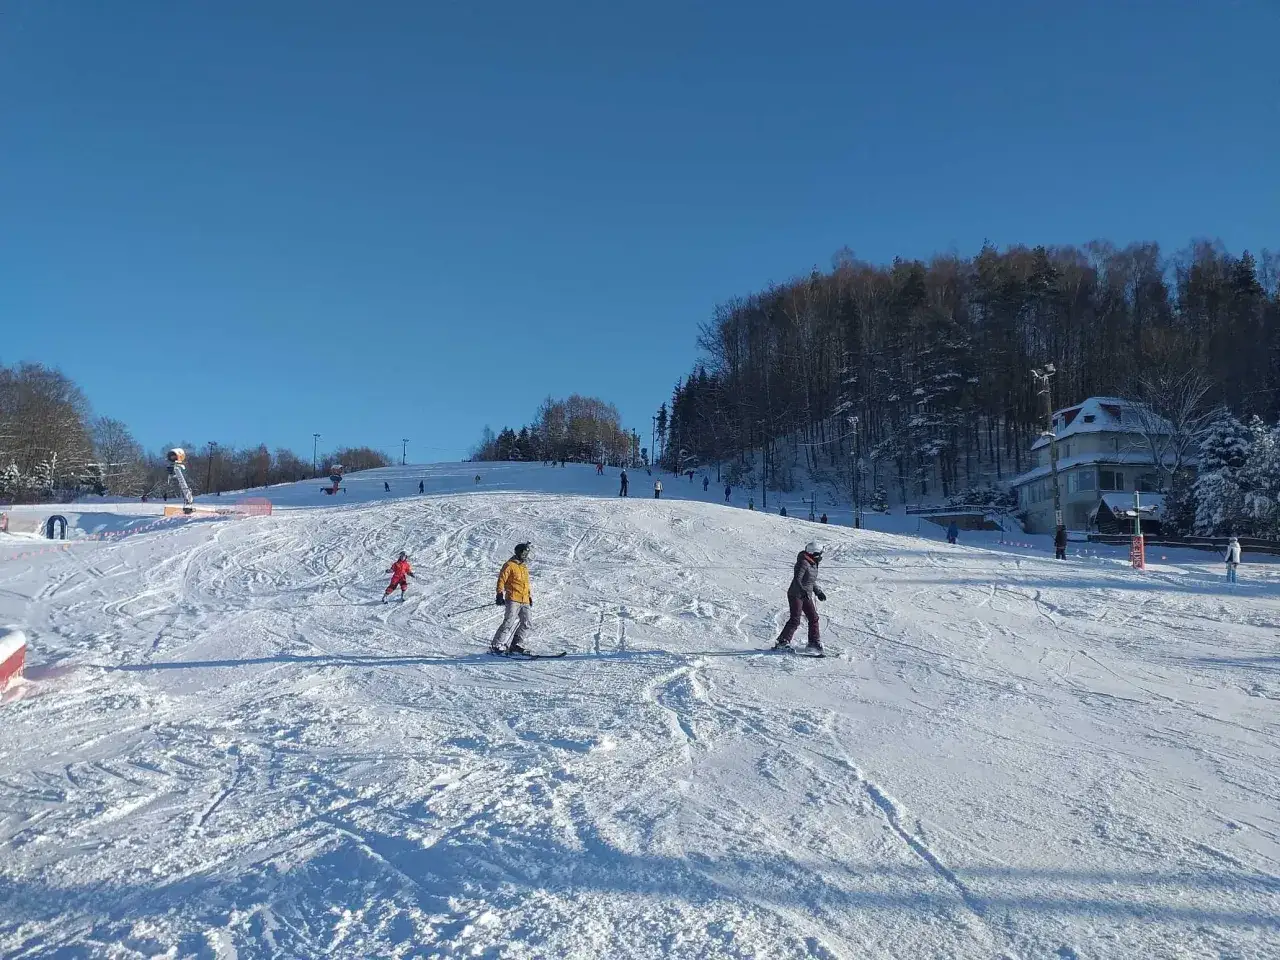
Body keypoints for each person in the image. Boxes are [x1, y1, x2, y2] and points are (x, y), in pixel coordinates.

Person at [773, 541, 826, 652]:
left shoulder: (812, 563)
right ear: (814, 553)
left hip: (805, 594)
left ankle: (813, 642)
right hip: (796, 594)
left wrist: (818, 592)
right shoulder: (803, 563)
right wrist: (802, 591)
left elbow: (811, 581)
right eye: (820, 554)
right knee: (795, 619)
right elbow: (797, 579)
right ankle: (782, 642)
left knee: (814, 618)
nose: (821, 556)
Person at [491, 542, 534, 654]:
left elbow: (526, 584)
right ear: (518, 552)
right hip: (513, 598)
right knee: (509, 621)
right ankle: (497, 644)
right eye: (524, 553)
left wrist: (529, 596)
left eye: (527, 553)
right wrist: (499, 593)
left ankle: (516, 644)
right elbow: (501, 579)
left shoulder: (524, 567)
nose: (525, 555)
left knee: (527, 623)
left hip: (524, 600)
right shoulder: (509, 565)